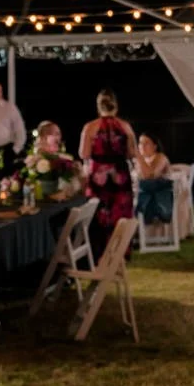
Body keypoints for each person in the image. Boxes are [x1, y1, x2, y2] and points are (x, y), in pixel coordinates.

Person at [80, 89, 136, 259]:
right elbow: (131, 153)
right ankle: (120, 251)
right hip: (120, 175)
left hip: (99, 175)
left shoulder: (90, 127)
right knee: (121, 212)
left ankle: (100, 252)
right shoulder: (125, 127)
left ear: (98, 107)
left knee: (99, 213)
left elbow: (84, 153)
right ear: (115, 106)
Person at [135, 133, 174, 227]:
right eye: (140, 143)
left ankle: (139, 215)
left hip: (162, 197)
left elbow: (151, 175)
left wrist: (139, 158)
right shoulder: (139, 161)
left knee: (143, 186)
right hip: (143, 194)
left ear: (155, 146)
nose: (142, 146)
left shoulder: (160, 157)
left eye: (146, 143)